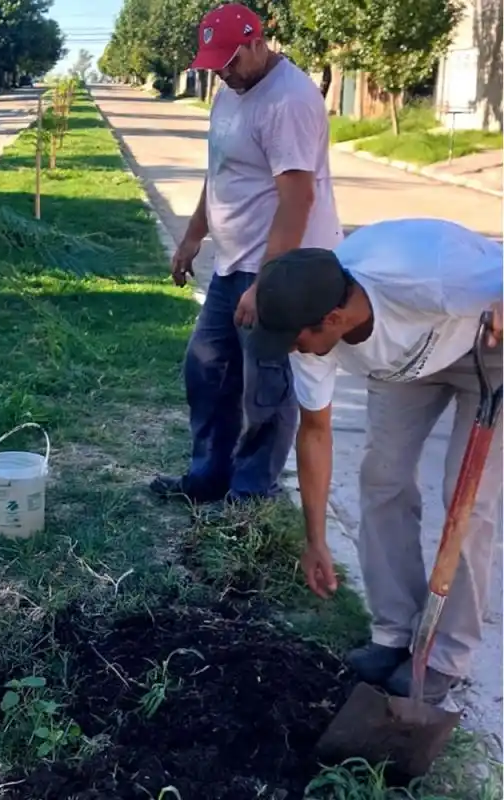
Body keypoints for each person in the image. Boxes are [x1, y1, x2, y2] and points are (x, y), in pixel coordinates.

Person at [248, 217, 503, 704]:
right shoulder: (309, 318)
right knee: (382, 477)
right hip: (404, 365)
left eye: (296, 340)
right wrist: (315, 540)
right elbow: (315, 432)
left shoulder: (429, 271)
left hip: (487, 347)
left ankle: (443, 656)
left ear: (332, 319)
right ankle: (394, 633)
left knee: (467, 501)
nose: (293, 351)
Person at [150, 2, 343, 506]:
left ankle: (252, 495)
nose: (224, 72)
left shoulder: (288, 100)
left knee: (266, 389)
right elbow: (221, 170)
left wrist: (267, 283)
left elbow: (298, 200)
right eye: (215, 64)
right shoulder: (230, 91)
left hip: (278, 271)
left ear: (258, 42)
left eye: (231, 60)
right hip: (233, 264)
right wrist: (193, 235)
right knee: (207, 370)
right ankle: (208, 477)